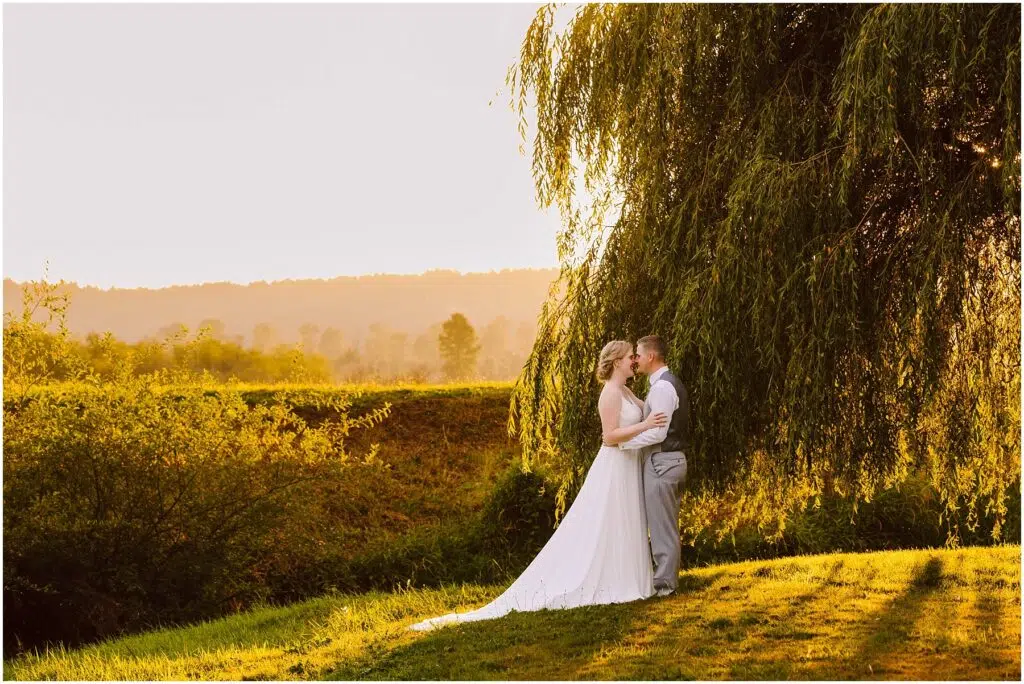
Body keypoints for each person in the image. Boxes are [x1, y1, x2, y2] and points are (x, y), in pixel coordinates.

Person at [409, 340, 665, 631]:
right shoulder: (610, 394)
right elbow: (609, 436)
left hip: (629, 464)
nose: (634, 360)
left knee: (626, 520)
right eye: (629, 357)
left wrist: (664, 394)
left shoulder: (626, 391)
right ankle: (614, 580)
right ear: (617, 361)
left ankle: (629, 577)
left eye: (635, 356)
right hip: (616, 464)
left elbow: (649, 409)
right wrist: (646, 427)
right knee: (612, 520)